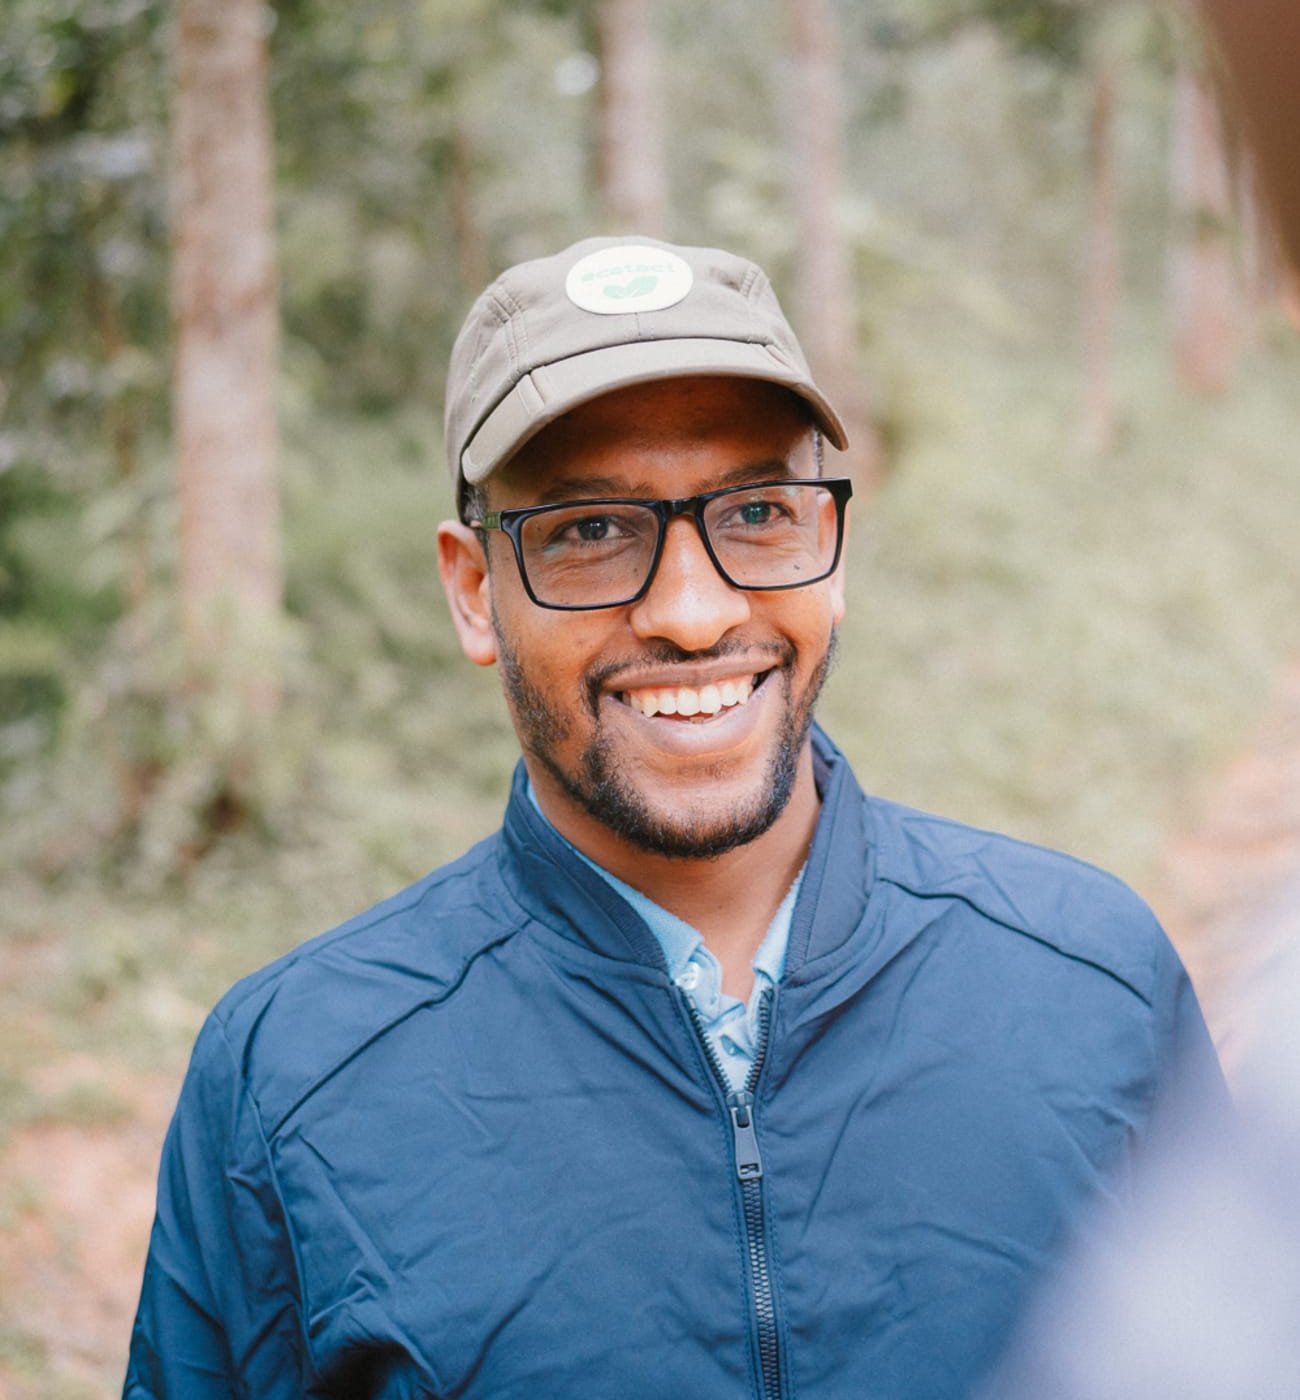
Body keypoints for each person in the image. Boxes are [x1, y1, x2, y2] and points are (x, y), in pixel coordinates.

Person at [124, 236, 1225, 1400]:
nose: (694, 614)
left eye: (755, 510)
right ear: (471, 588)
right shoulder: (294, 1077)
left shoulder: (1092, 982)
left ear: (830, 549)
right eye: (590, 530)